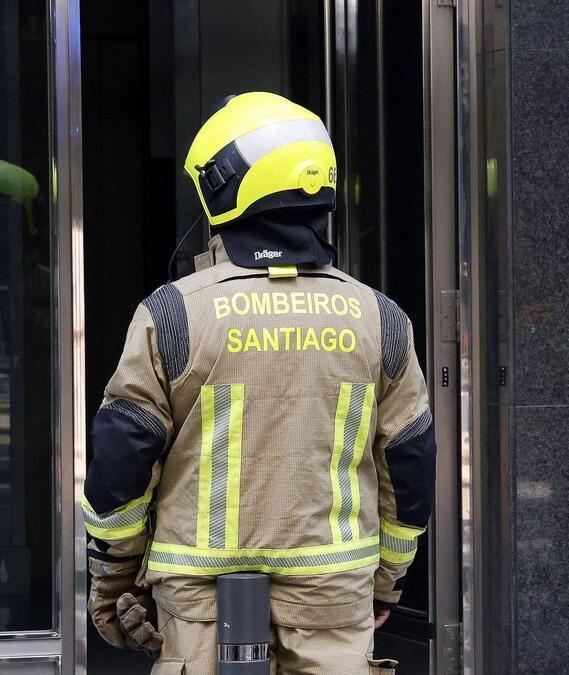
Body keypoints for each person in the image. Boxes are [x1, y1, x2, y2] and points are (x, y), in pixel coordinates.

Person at [82, 92, 436, 674]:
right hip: (333, 591)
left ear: (223, 186)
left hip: (199, 601)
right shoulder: (380, 319)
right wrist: (387, 581)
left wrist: (114, 575)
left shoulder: (174, 314)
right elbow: (411, 464)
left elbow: (122, 461)